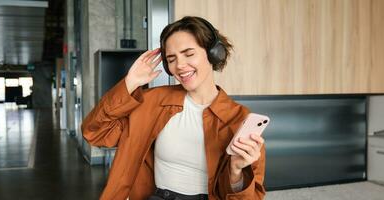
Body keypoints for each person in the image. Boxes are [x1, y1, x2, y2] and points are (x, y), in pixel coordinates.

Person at [82, 16, 265, 200]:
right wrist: (130, 82)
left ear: (213, 53)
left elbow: (252, 196)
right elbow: (95, 132)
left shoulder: (239, 118)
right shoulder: (152, 101)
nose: (180, 66)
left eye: (188, 54)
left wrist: (236, 172)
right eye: (171, 59)